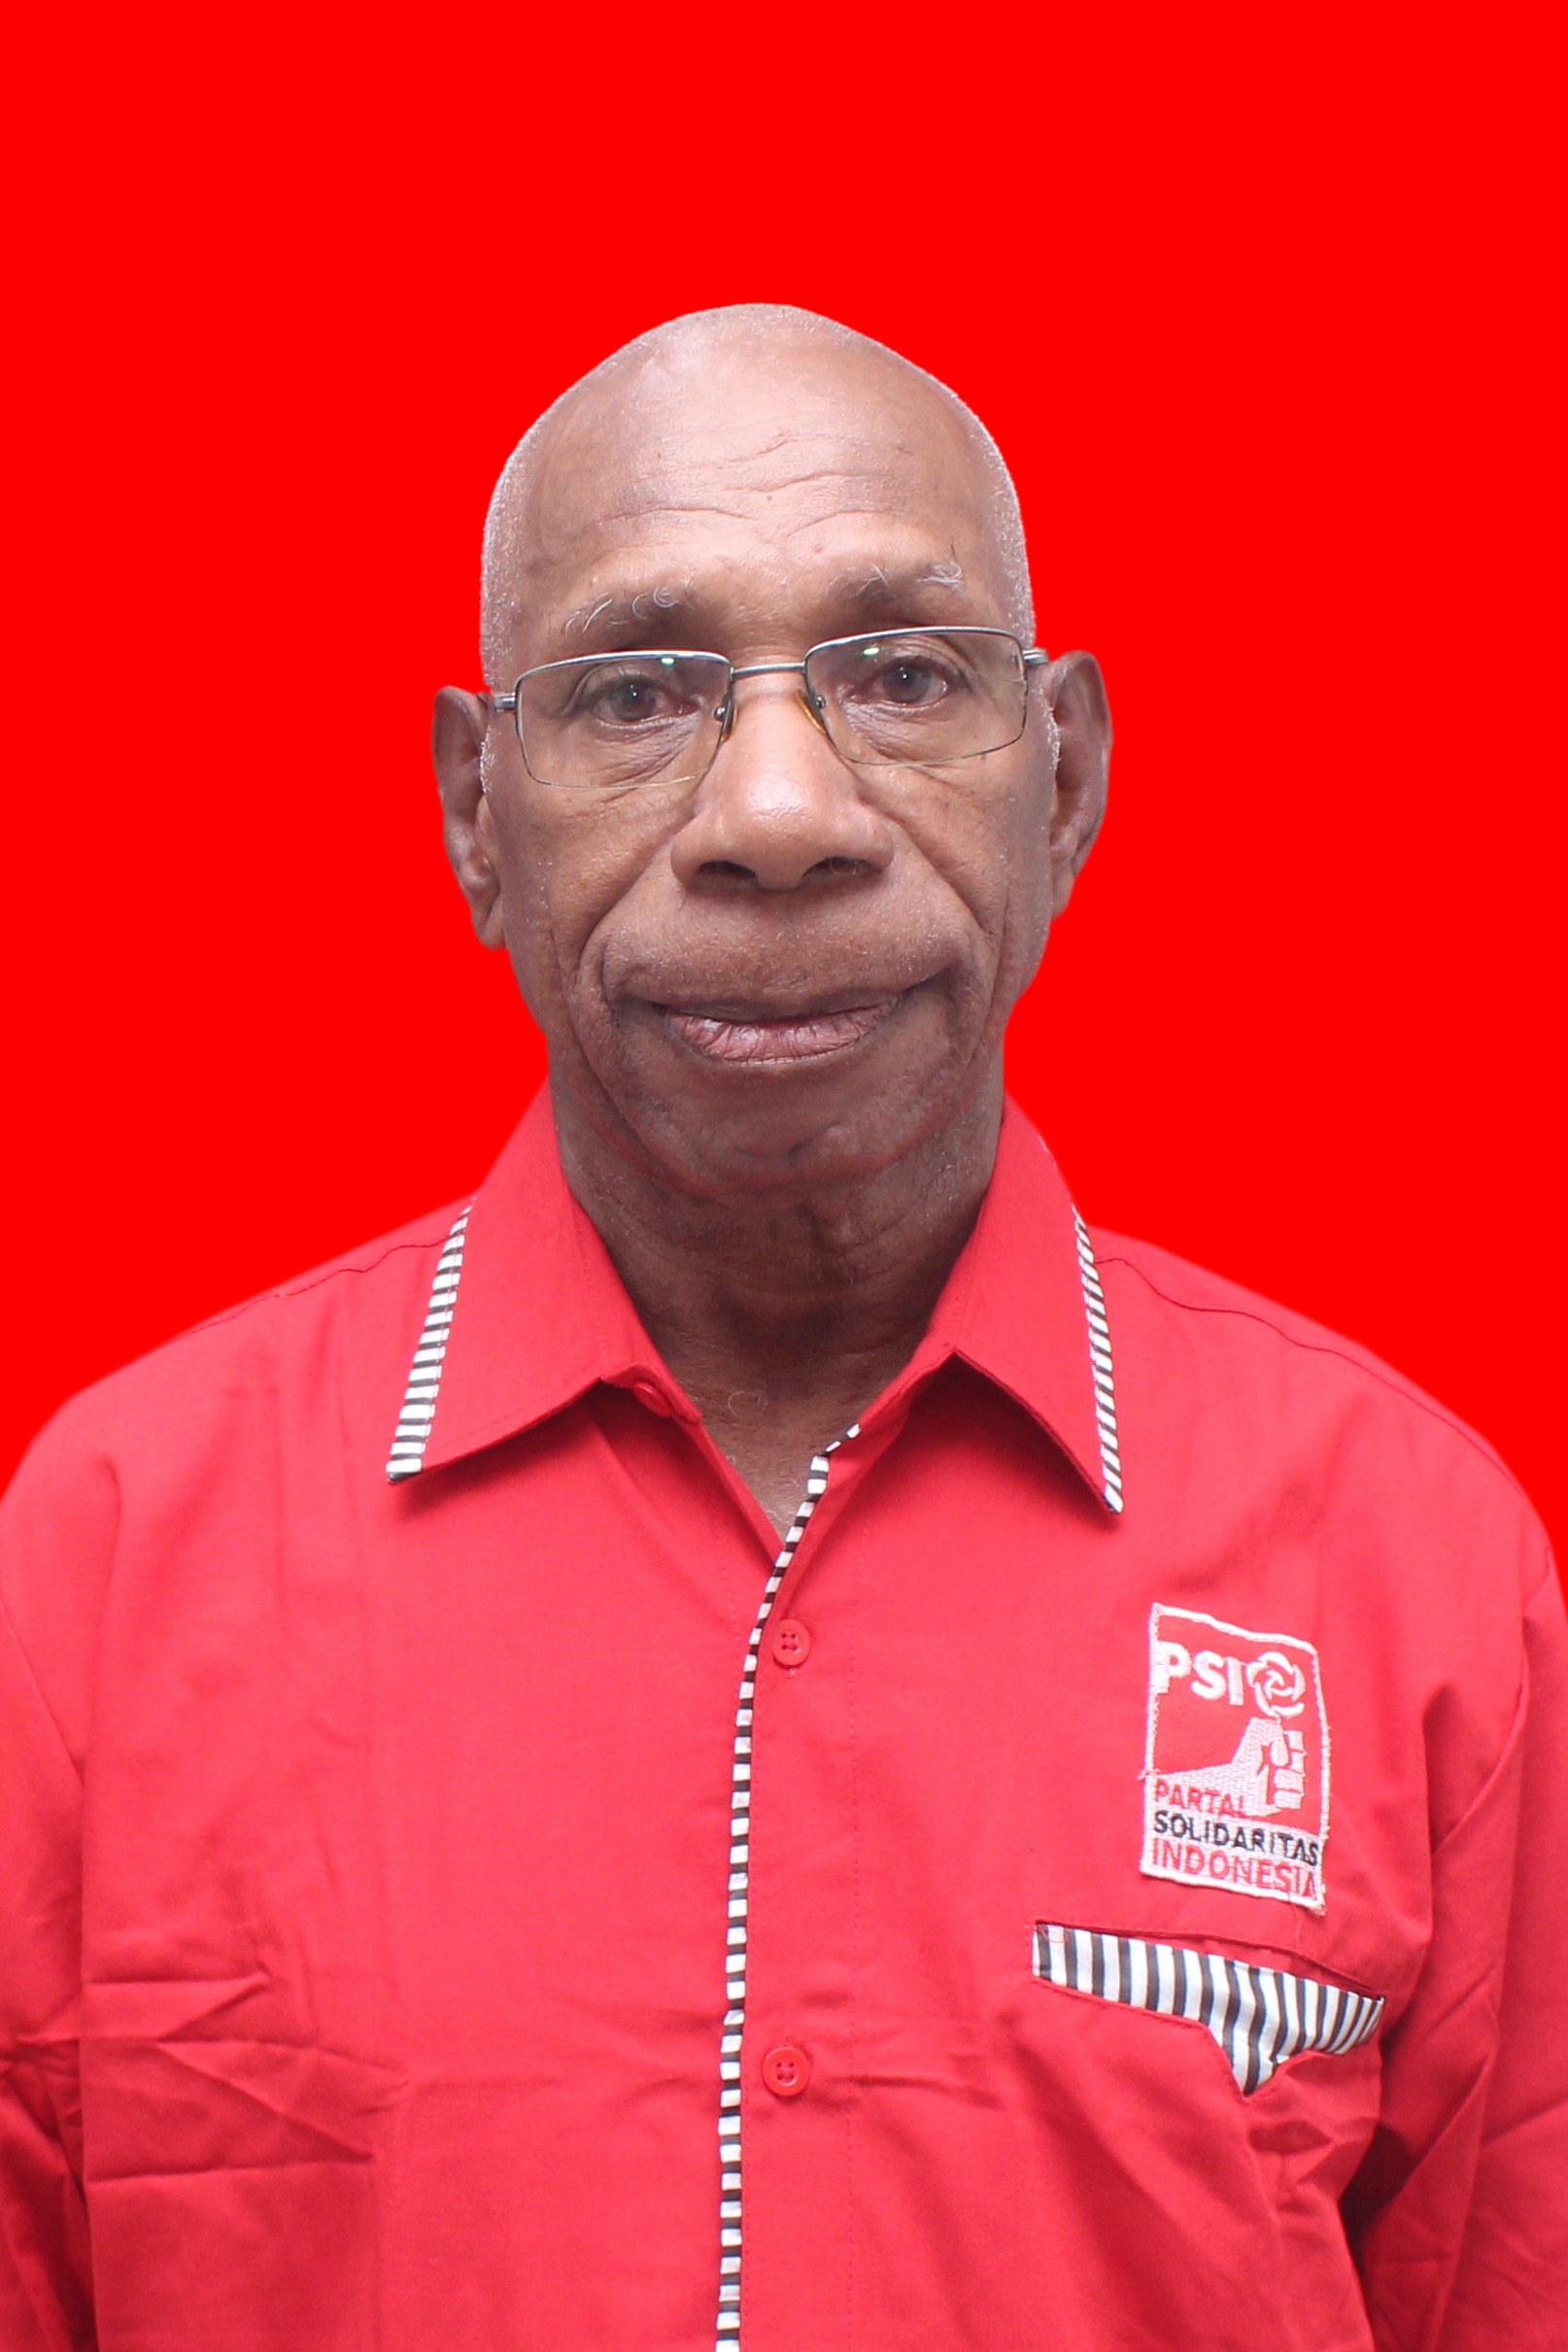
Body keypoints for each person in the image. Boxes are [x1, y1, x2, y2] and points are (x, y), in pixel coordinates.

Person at [1, 305, 1563, 2352]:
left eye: (903, 673)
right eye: (635, 691)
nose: (775, 810)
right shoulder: (108, 1556)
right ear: (478, 812)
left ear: (1066, 777)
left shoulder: (1409, 1560)